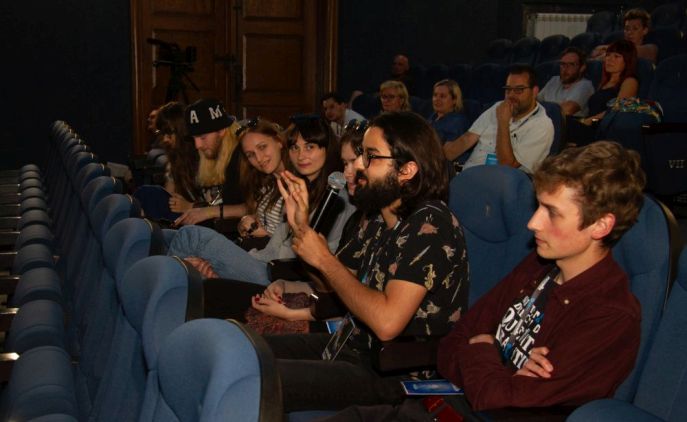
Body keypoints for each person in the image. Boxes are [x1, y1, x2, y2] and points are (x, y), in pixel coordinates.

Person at [325, 140, 644, 421]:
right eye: (538, 207)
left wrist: (485, 348)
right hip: (438, 407)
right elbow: (453, 343)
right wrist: (498, 363)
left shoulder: (609, 316)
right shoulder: (538, 267)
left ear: (600, 226)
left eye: (552, 212)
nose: (533, 223)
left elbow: (499, 402)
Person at [263, 111, 469, 412]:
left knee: (257, 379)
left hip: (391, 371)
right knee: (247, 351)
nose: (358, 165)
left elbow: (387, 323)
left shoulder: (431, 225)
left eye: (370, 156)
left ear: (406, 170)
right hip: (349, 345)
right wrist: (302, 230)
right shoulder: (376, 217)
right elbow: (330, 285)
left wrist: (325, 259)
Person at [166, 116, 355, 285]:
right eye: (295, 148)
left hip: (284, 278)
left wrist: (232, 263)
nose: (301, 156)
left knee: (190, 236)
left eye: (310, 147)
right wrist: (228, 263)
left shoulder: (336, 200)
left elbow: (312, 262)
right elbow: (274, 246)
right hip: (266, 264)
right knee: (180, 247)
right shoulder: (297, 189)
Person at [443, 65, 554, 174]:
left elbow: (507, 165)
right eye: (508, 89)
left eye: (519, 90)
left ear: (534, 92)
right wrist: (439, 158)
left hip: (500, 181)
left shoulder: (542, 125)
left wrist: (503, 123)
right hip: (468, 173)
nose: (511, 95)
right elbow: (467, 139)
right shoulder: (498, 106)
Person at [173, 98, 247, 226]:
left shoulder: (243, 155)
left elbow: (256, 208)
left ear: (221, 131)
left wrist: (208, 212)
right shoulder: (217, 153)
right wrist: (197, 208)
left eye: (203, 137)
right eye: (194, 138)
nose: (197, 145)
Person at [566, 39, 638, 146]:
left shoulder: (630, 81)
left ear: (627, 61)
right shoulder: (604, 83)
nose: (609, 59)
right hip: (591, 124)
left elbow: (616, 110)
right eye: (608, 55)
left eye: (616, 56)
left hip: (603, 129)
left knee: (563, 123)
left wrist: (588, 121)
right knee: (560, 118)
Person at [235, 117, 288, 246]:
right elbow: (258, 218)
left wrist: (265, 235)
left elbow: (292, 245)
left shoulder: (298, 185)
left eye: (262, 147)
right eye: (250, 155)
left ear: (279, 141)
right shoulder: (266, 182)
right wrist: (245, 223)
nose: (258, 158)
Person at [537, 47, 595, 117]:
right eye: (563, 64)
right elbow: (535, 101)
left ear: (582, 68)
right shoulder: (554, 80)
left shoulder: (585, 86)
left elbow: (567, 110)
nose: (566, 68)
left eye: (571, 64)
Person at [591, 8, 658, 64]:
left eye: (635, 28)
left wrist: (608, 49)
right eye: (627, 29)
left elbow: (631, 51)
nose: (629, 32)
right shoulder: (615, 41)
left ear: (645, 30)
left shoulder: (651, 48)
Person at [428, 79, 470, 143]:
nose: (437, 99)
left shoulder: (458, 122)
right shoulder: (433, 116)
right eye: (435, 95)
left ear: (454, 100)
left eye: (442, 96)